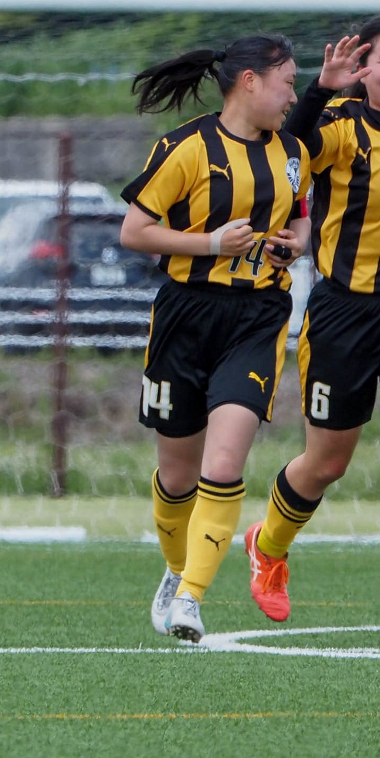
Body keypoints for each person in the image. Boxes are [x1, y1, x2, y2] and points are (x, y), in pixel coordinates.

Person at [241, 17, 380, 629]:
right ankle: (269, 548)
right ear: (362, 70)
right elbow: (283, 146)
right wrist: (319, 89)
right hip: (343, 313)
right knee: (327, 463)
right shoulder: (339, 127)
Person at [119, 34, 311, 643]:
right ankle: (176, 573)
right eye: (287, 81)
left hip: (257, 316)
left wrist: (298, 240)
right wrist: (209, 244)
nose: (294, 94)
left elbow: (302, 213)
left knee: (224, 462)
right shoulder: (185, 148)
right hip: (185, 315)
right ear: (249, 82)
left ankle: (191, 600)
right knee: (177, 475)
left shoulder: (293, 152)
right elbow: (134, 230)